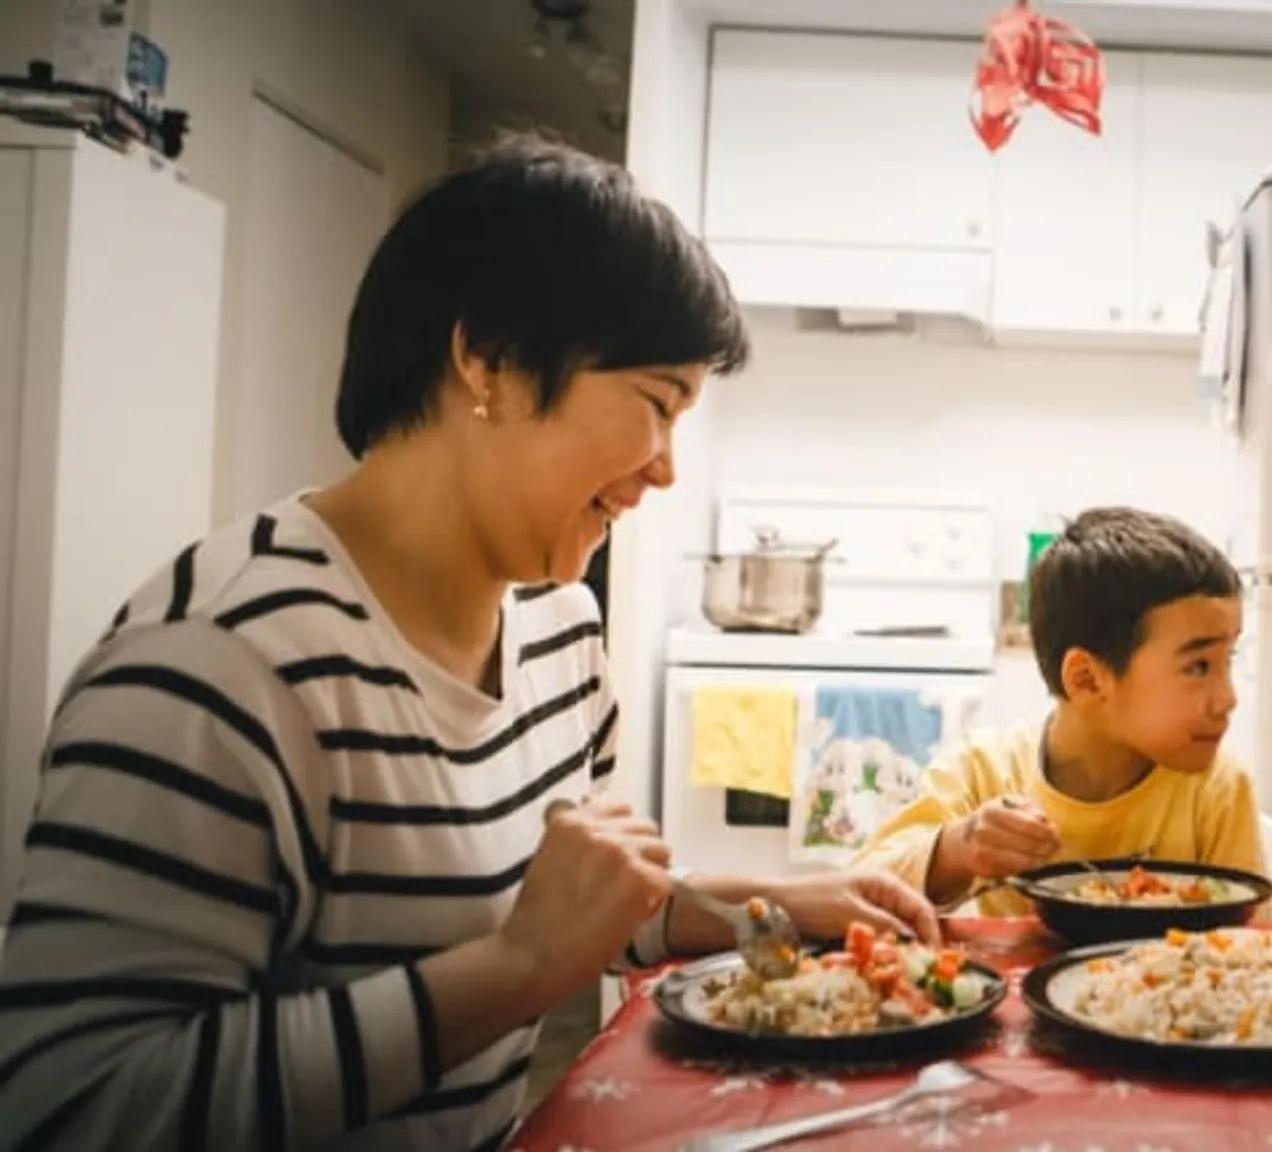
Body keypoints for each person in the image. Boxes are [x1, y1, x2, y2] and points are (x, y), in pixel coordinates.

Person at [0, 136, 939, 1152]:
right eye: (657, 404)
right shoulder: (219, 664)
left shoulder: (557, 632)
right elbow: (70, 1106)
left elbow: (568, 907)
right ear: (486, 358)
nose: (665, 470)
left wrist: (761, 911)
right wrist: (516, 975)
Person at [857, 507, 1266, 914]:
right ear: (1087, 679)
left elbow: (1254, 957)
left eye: (1228, 659)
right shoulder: (985, 770)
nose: (1228, 698)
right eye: (1198, 667)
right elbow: (865, 888)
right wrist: (958, 848)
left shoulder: (1220, 790)